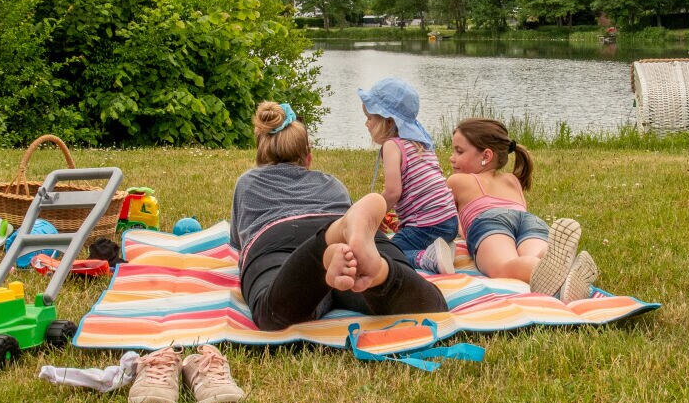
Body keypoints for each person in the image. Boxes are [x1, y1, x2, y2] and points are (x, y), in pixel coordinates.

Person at [229, 101, 449, 331]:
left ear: (260, 155)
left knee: (272, 314)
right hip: (342, 227)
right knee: (431, 306)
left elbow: (237, 242)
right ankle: (380, 271)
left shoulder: (248, 183)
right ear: (308, 158)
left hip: (278, 239)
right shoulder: (332, 184)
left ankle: (326, 246)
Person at [446, 117, 598, 302]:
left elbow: (445, 222)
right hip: (529, 221)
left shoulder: (458, 181)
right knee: (534, 253)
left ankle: (541, 270)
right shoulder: (512, 180)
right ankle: (560, 266)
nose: (451, 157)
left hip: (490, 222)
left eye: (458, 151)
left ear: (486, 156)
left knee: (505, 265)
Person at [359, 77, 459, 275]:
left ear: (386, 120)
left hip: (428, 225)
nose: (366, 123)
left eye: (370, 117)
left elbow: (393, 192)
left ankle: (426, 258)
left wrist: (372, 215)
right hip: (449, 221)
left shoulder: (392, 146)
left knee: (385, 251)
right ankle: (440, 248)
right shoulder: (420, 144)